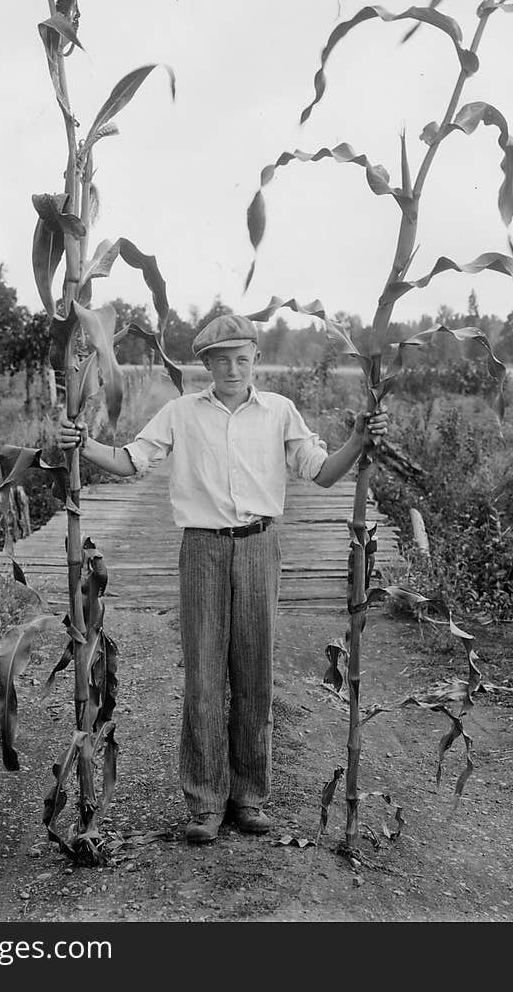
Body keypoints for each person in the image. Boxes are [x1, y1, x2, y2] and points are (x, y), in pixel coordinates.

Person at [58, 313, 389, 844]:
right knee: (205, 679)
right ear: (206, 364)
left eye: (242, 357)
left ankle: (250, 797)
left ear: (255, 359)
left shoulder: (279, 411)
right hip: (203, 551)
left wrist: (357, 440)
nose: (232, 368)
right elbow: (129, 461)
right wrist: (82, 444)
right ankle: (205, 803)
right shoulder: (181, 413)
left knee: (255, 674)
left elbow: (323, 472)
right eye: (221, 359)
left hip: (261, 547)